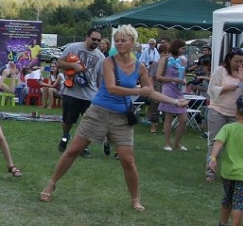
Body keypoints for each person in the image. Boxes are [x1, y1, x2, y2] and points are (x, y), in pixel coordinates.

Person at [40, 25, 187, 211]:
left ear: (132, 43)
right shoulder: (108, 62)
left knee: (128, 160)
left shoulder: (140, 67)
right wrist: (137, 90)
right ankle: (51, 183)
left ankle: (135, 199)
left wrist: (174, 101)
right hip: (98, 112)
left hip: (121, 118)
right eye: (117, 40)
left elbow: (150, 92)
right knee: (73, 150)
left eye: (123, 40)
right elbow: (111, 88)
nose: (119, 43)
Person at [57, 28, 105, 157]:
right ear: (87, 37)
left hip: (90, 95)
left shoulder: (101, 57)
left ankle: (83, 148)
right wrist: (73, 66)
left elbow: (100, 77)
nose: (96, 42)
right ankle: (65, 137)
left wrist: (100, 94)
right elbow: (59, 63)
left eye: (98, 40)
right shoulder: (73, 48)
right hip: (71, 92)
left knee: (89, 124)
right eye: (93, 39)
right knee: (68, 122)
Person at [207, 94, 243, 226]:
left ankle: (222, 225)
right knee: (239, 203)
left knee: (227, 199)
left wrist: (213, 159)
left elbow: (218, 143)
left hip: (228, 172)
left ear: (236, 110)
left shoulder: (228, 128)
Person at [205, 48, 243, 181]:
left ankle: (232, 170)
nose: (239, 63)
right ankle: (210, 171)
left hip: (236, 114)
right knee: (215, 141)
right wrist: (224, 89)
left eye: (241, 61)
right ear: (229, 59)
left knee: (234, 143)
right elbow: (211, 89)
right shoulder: (220, 71)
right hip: (218, 110)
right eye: (236, 61)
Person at [157, 39, 189, 151]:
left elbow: (183, 75)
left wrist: (183, 80)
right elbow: (159, 77)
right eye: (182, 48)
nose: (184, 50)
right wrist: (174, 79)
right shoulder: (165, 60)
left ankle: (177, 143)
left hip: (179, 91)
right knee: (168, 118)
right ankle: (167, 143)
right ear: (176, 48)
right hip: (168, 89)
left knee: (183, 119)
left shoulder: (182, 61)